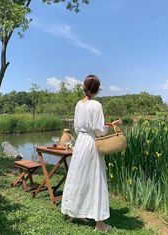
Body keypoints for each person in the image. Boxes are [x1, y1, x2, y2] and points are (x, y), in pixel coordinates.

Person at [61, 75, 122, 232]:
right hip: (91, 144)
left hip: (81, 142)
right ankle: (99, 224)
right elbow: (100, 131)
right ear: (97, 89)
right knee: (95, 179)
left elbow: (77, 126)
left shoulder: (78, 104)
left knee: (78, 176)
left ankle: (74, 211)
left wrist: (102, 126)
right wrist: (108, 126)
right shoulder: (96, 105)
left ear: (84, 87)